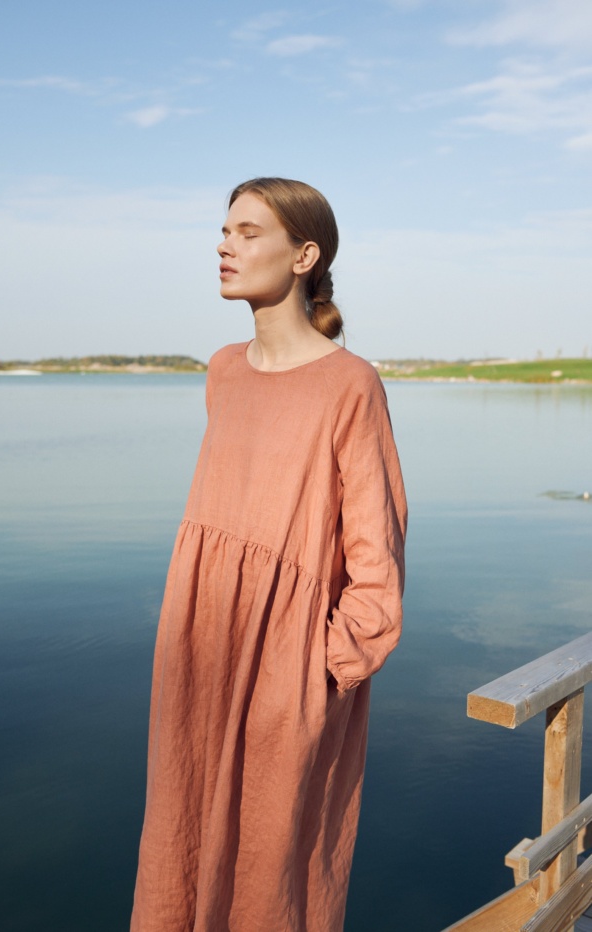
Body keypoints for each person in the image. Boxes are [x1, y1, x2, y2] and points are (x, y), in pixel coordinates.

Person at [131, 177, 407, 932]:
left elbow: (377, 567)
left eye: (249, 232)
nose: (225, 245)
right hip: (196, 647)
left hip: (289, 669)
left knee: (270, 868)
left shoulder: (351, 386)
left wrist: (320, 671)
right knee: (180, 841)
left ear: (303, 255)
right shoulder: (221, 370)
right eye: (225, 231)